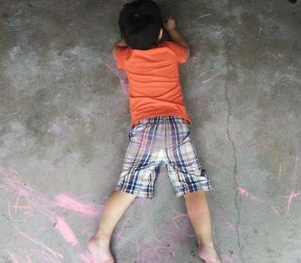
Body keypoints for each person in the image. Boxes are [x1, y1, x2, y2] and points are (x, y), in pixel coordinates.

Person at [87, 1, 221, 262]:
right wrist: (173, 30)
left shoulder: (124, 55)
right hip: (174, 125)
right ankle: (207, 245)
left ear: (126, 38)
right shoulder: (171, 50)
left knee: (129, 185)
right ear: (160, 33)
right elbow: (186, 51)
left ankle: (100, 238)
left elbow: (118, 47)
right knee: (193, 185)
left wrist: (130, 38)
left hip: (145, 127)